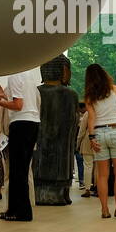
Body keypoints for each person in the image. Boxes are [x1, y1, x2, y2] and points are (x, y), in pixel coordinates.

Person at [0, 66, 40, 221]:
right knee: (21, 170)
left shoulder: (14, 76)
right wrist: (4, 97)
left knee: (16, 171)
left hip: (20, 124)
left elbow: (18, 105)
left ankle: (20, 212)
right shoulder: (29, 76)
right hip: (32, 123)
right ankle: (16, 210)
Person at [84, 64, 116, 218]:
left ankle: (104, 210)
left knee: (102, 175)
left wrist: (91, 137)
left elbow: (91, 118)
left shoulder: (89, 96)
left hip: (99, 134)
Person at [33, 55, 78, 206]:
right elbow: (73, 123)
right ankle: (60, 194)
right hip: (62, 147)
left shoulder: (37, 92)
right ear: (63, 71)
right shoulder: (69, 95)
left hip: (42, 144)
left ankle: (55, 194)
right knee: (60, 167)